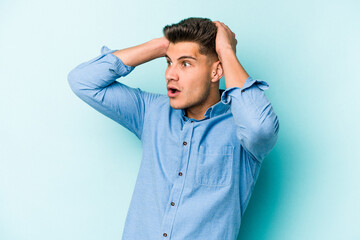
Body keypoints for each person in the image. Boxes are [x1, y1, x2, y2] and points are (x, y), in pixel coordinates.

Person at [67, 17, 279, 240]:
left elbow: (261, 130)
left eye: (185, 63)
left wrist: (226, 51)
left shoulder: (240, 128)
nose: (170, 74)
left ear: (216, 72)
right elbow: (83, 81)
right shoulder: (150, 111)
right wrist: (160, 45)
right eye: (169, 62)